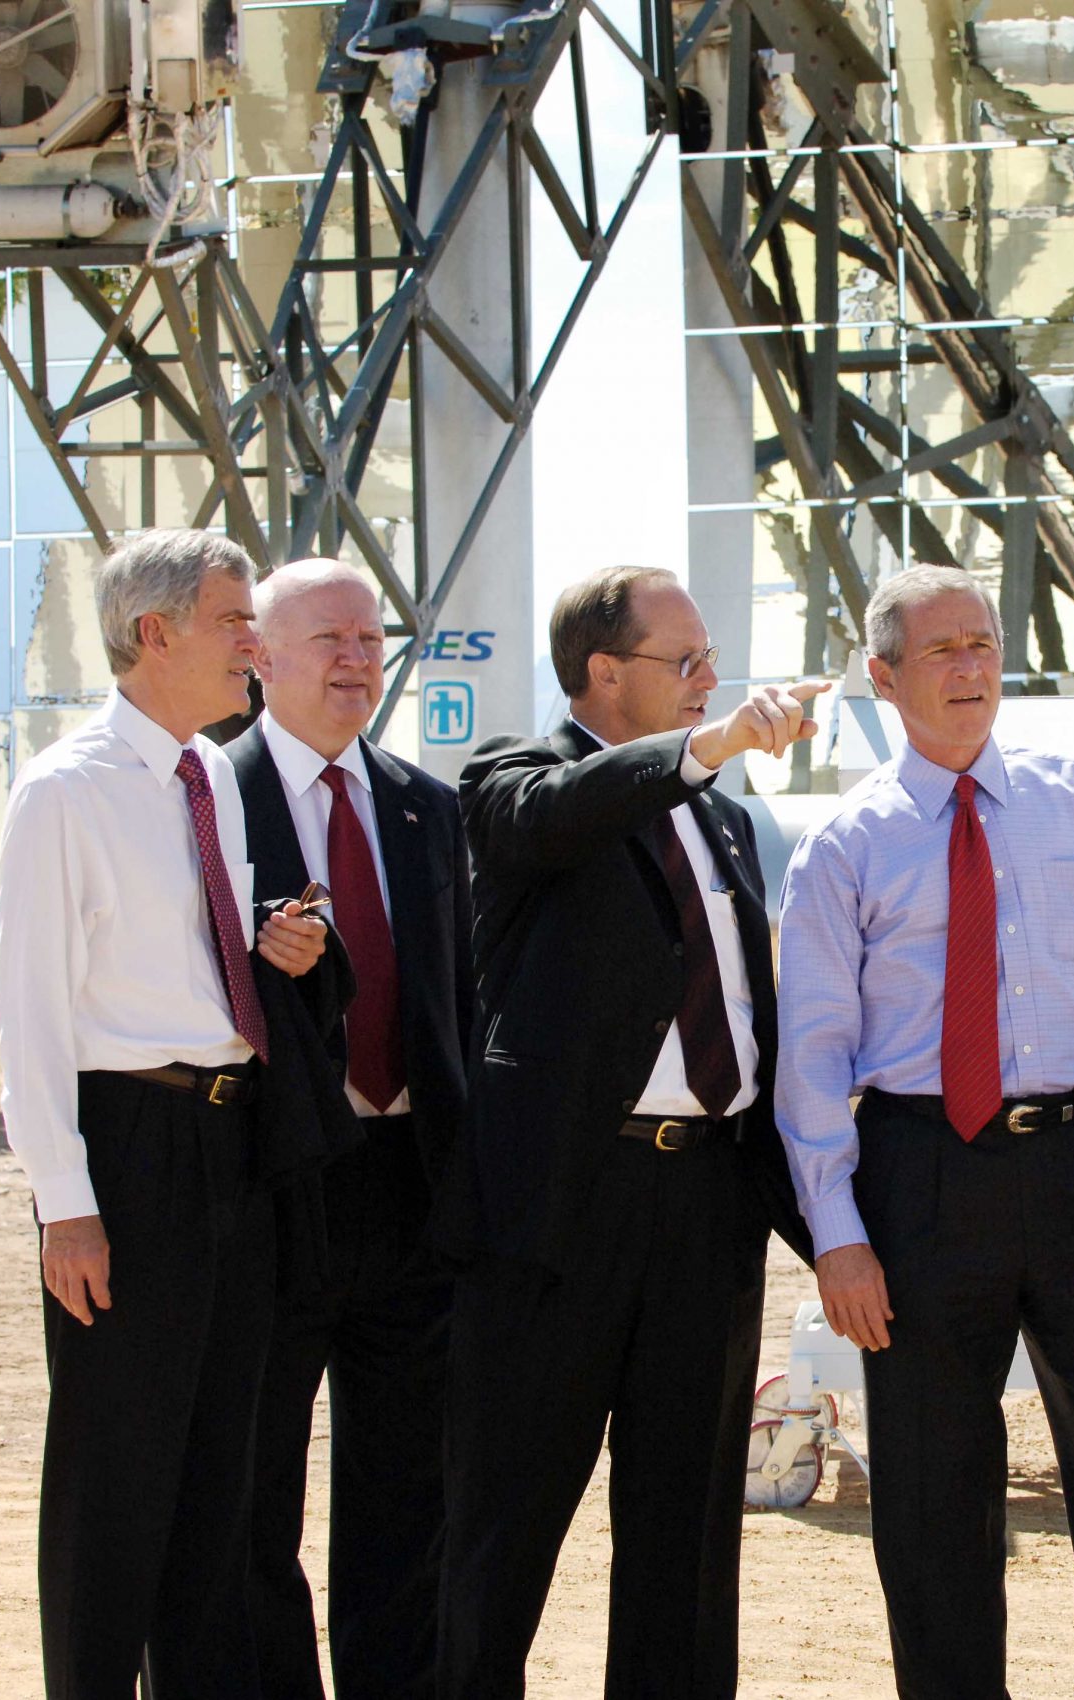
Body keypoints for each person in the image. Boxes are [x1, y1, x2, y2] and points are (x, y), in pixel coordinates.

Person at [775, 565, 1074, 1700]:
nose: (972, 666)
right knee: (935, 1501)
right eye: (941, 650)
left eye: (983, 641)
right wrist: (837, 1233)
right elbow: (811, 1061)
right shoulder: (843, 847)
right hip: (919, 1180)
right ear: (882, 676)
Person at [438, 566, 820, 1700]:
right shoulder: (513, 777)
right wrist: (705, 744)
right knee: (502, 1523)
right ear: (603, 671)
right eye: (685, 660)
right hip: (563, 1206)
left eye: (710, 661)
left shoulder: (725, 822)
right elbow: (559, 816)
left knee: (687, 1535)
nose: (710, 681)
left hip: (706, 1206)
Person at [0, 528, 334, 1699]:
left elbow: (177, 962)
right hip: (128, 1150)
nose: (257, 643)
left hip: (230, 1139)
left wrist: (266, 943)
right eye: (236, 621)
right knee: (116, 1474)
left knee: (216, 1480)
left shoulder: (209, 782)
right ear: (155, 634)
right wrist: (66, 1205)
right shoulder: (64, 792)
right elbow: (33, 1018)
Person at [232, 560, 476, 1700]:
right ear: (259, 658)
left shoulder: (428, 806)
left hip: (411, 1189)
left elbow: (459, 999)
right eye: (326, 636)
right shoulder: (208, 798)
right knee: (249, 1496)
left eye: (371, 638)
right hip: (270, 1187)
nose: (355, 658)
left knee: (408, 1497)